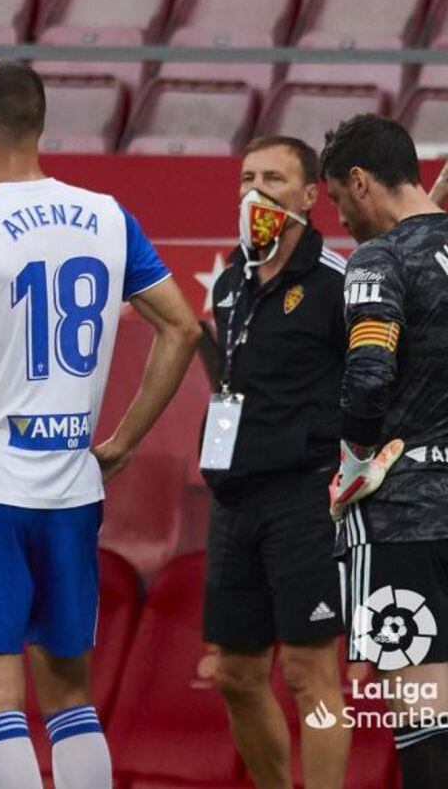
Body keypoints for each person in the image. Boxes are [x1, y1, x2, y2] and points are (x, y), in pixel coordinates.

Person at [0, 61, 201, 789]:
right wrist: (123, 439)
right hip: (70, 481)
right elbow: (183, 328)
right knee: (71, 697)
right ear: (40, 125)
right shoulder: (107, 214)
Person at [199, 136, 351, 789]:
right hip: (234, 500)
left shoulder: (336, 282)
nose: (254, 192)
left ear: (310, 196)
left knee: (308, 672)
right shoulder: (231, 280)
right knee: (235, 674)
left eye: (273, 180)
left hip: (307, 497)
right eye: (246, 178)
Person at [321, 114, 448, 789]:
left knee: (425, 716)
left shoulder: (380, 260)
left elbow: (368, 378)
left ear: (362, 182)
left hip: (403, 521)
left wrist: (352, 456)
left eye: (339, 199)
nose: (341, 218)